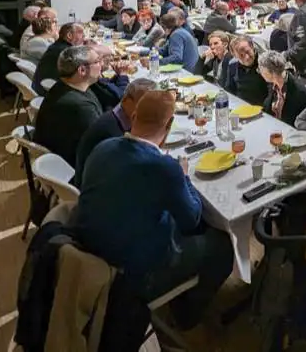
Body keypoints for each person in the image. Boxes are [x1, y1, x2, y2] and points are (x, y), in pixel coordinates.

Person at [74, 91, 235, 348]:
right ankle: (187, 317)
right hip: (131, 276)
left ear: (134, 116)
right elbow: (191, 219)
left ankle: (182, 296)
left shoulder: (103, 148)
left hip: (89, 258)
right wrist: (183, 175)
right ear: (170, 126)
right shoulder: (163, 168)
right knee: (223, 244)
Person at [73, 77, 156, 186]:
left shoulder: (119, 119)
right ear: (126, 100)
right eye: (143, 104)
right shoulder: (112, 134)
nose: (149, 111)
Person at [32, 46, 104, 168]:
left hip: (60, 157)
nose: (102, 64)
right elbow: (100, 144)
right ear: (82, 70)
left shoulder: (62, 86)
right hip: (74, 169)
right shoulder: (81, 108)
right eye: (97, 61)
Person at [259, 50, 306, 126]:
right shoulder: (273, 84)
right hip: (272, 126)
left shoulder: (299, 92)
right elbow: (267, 107)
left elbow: (297, 123)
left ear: (272, 73)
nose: (260, 72)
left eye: (261, 70)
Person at [32, 22, 84, 93]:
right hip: (49, 91)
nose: (84, 36)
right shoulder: (66, 52)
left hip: (42, 86)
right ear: (69, 35)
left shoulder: (58, 45)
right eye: (81, 33)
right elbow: (81, 70)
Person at [224, 36, 269, 105]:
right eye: (241, 55)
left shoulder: (265, 63)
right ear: (234, 56)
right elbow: (229, 90)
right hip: (240, 106)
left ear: (252, 47)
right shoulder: (232, 65)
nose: (246, 57)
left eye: (248, 52)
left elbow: (273, 93)